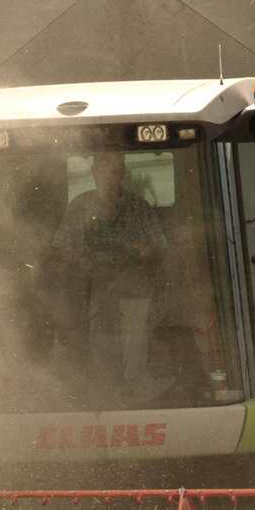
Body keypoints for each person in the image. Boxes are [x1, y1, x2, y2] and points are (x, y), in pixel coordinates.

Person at [43, 152, 167, 404]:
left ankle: (133, 390)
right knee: (70, 325)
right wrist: (69, 274)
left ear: (122, 174)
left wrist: (139, 252)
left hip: (130, 287)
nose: (108, 178)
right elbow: (63, 252)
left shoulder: (139, 207)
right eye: (102, 171)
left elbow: (158, 247)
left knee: (136, 329)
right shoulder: (78, 206)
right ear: (93, 173)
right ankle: (79, 390)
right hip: (86, 288)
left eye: (114, 172)